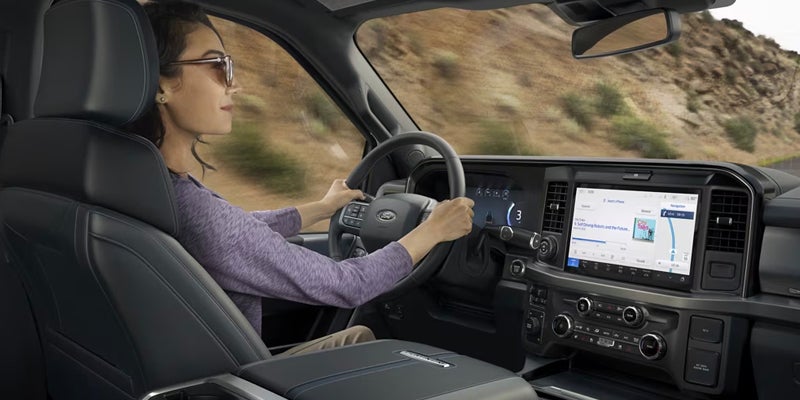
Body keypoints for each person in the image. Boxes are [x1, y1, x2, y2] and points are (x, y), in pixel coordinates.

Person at [126, 0, 475, 355]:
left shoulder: (137, 183)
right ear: (160, 85)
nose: (235, 84)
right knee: (372, 346)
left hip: (186, 372)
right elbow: (348, 284)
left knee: (356, 340)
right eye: (218, 65)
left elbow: (237, 231)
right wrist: (432, 230)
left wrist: (322, 208)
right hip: (230, 383)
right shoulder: (196, 211)